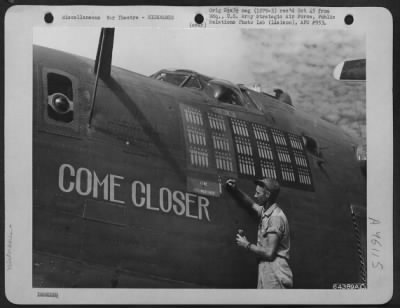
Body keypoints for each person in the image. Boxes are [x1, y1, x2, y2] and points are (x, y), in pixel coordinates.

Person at [225, 178, 293, 289]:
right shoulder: (265, 211)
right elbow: (251, 205)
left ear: (267, 195)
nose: (255, 196)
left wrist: (247, 244)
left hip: (275, 271)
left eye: (258, 193)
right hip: (266, 269)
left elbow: (269, 253)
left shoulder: (275, 217)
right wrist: (235, 190)